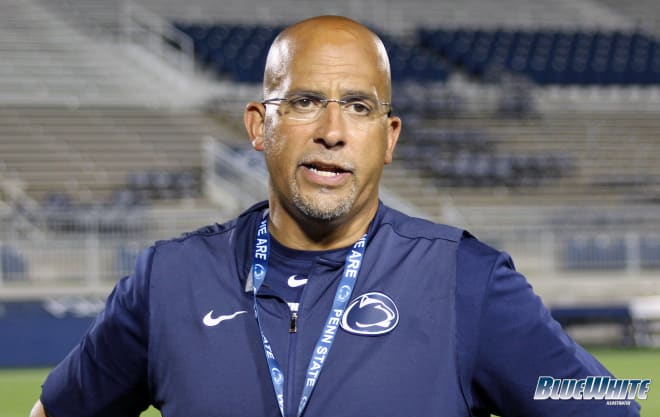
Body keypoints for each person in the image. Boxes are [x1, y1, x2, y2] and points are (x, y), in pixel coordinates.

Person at [31, 15, 640, 417]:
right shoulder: (168, 280)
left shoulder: (467, 280)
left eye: (358, 106)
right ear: (258, 126)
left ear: (389, 135)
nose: (331, 131)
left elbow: (607, 403)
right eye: (303, 102)